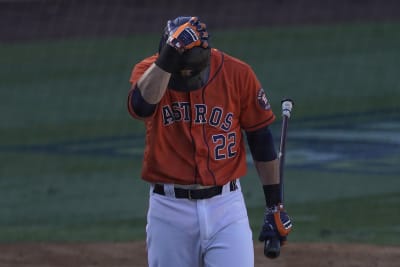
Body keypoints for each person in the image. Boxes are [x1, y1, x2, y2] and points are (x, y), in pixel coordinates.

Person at [127, 16, 292, 267]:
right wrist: (169, 57)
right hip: (169, 209)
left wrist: (274, 204)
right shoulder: (148, 71)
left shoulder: (237, 74)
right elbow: (140, 107)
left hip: (226, 208)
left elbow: (261, 139)